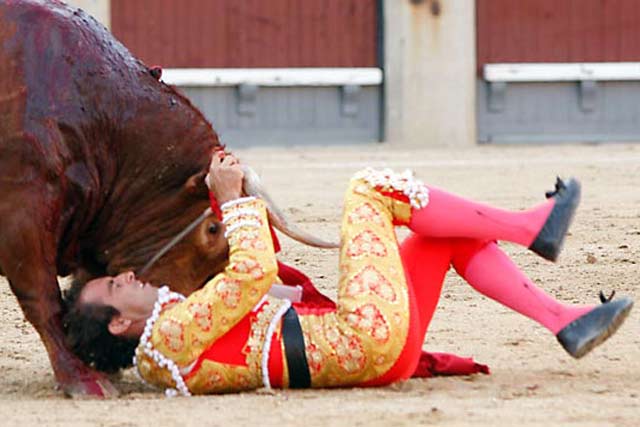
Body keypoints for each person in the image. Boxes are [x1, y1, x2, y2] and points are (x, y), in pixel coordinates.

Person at [63, 152, 633, 396]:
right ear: (118, 325)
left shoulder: (169, 347)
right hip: (367, 336)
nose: (130, 275)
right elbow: (255, 273)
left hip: (383, 359)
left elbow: (250, 289)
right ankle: (532, 228)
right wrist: (232, 196)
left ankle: (565, 319)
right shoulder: (169, 336)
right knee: (369, 189)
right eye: (116, 286)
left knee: (446, 233)